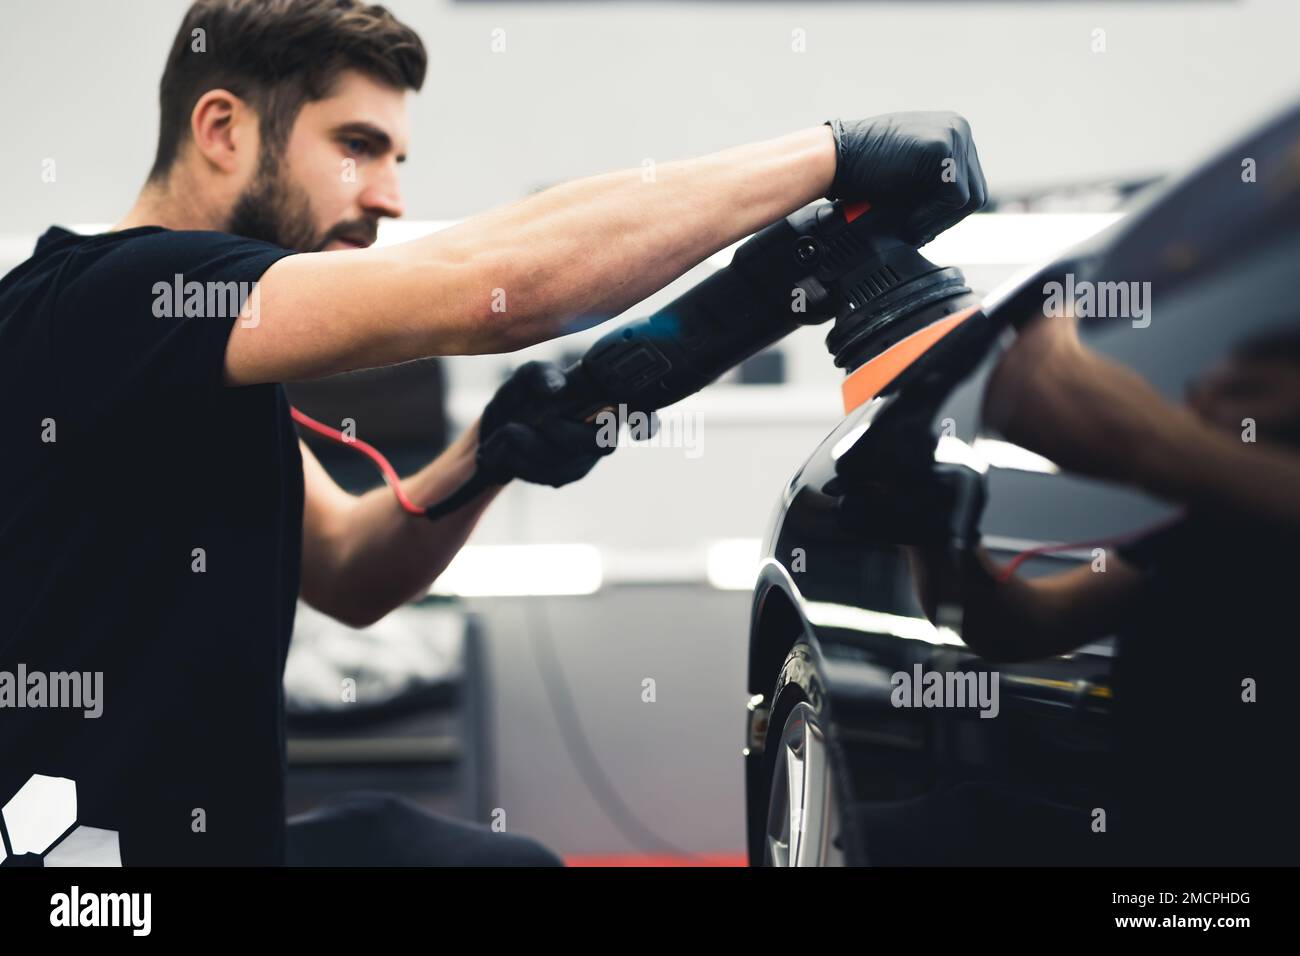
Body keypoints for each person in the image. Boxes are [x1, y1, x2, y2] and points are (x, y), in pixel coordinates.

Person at [0, 0, 986, 865]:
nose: (388, 195)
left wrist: (489, 456)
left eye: (396, 157)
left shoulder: (187, 354)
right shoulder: (109, 302)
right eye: (356, 145)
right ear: (222, 127)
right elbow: (492, 287)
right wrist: (830, 152)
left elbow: (348, 569)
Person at [917, 316, 1300, 864]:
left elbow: (1162, 448)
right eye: (1199, 392)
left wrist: (1145, 441)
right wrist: (930, 528)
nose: (1201, 408)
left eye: (1246, 391)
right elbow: (1025, 626)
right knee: (932, 826)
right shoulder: (1206, 533)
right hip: (1156, 835)